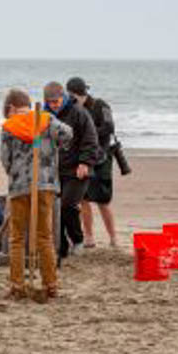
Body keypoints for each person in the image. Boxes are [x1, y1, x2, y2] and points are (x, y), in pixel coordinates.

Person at [0, 88, 72, 298]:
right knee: (44, 236)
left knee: (17, 237)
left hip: (19, 186)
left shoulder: (9, 127)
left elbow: (5, 159)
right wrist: (54, 145)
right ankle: (51, 285)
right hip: (46, 183)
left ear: (12, 107)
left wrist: (14, 171)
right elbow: (67, 134)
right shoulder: (45, 119)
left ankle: (17, 285)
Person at [43, 81, 99, 259]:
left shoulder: (79, 112)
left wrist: (84, 162)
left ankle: (78, 240)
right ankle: (61, 247)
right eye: (51, 102)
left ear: (64, 97)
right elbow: (38, 140)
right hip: (53, 169)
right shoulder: (44, 115)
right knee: (54, 208)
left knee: (67, 205)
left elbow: (91, 139)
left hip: (77, 169)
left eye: (57, 101)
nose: (54, 105)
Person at [66, 76, 118, 248]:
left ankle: (113, 238)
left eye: (73, 96)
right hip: (82, 159)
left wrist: (88, 130)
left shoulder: (101, 105)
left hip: (102, 158)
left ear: (81, 93)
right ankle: (89, 237)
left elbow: (110, 127)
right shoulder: (72, 108)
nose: (72, 100)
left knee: (103, 201)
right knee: (84, 199)